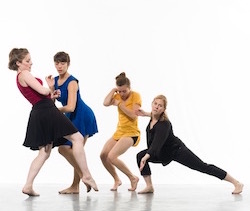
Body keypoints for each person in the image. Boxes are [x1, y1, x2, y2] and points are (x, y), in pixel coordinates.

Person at [8, 48, 98, 196]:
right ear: (18, 63)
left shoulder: (19, 77)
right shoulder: (24, 73)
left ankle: (28, 185)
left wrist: (51, 93)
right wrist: (49, 88)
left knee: (44, 152)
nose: (31, 63)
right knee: (78, 138)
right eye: (27, 61)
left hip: (39, 111)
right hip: (47, 110)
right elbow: (43, 92)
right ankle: (86, 175)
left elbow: (41, 95)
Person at [136, 94, 244, 194]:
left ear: (164, 109)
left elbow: (156, 143)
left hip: (177, 151)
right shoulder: (153, 118)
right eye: (155, 104)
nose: (156, 107)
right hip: (163, 152)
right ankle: (149, 186)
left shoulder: (164, 124)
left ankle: (236, 183)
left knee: (203, 167)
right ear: (152, 104)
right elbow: (153, 116)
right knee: (140, 155)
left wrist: (147, 155)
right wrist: (145, 113)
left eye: (160, 106)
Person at [46, 51, 98, 194]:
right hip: (69, 116)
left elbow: (71, 107)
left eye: (63, 63)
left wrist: (55, 112)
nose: (59, 66)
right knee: (64, 149)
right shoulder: (55, 80)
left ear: (68, 64)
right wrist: (51, 88)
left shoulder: (72, 82)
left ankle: (78, 183)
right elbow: (52, 102)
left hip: (82, 115)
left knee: (76, 150)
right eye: (57, 63)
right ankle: (82, 179)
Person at [100, 72, 141, 191]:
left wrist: (119, 104)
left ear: (130, 88)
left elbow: (133, 116)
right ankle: (116, 179)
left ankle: (133, 178)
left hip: (132, 133)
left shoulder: (136, 96)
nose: (122, 94)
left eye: (124, 91)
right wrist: (113, 90)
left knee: (112, 156)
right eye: (120, 91)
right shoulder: (117, 94)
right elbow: (105, 103)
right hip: (119, 132)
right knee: (103, 155)